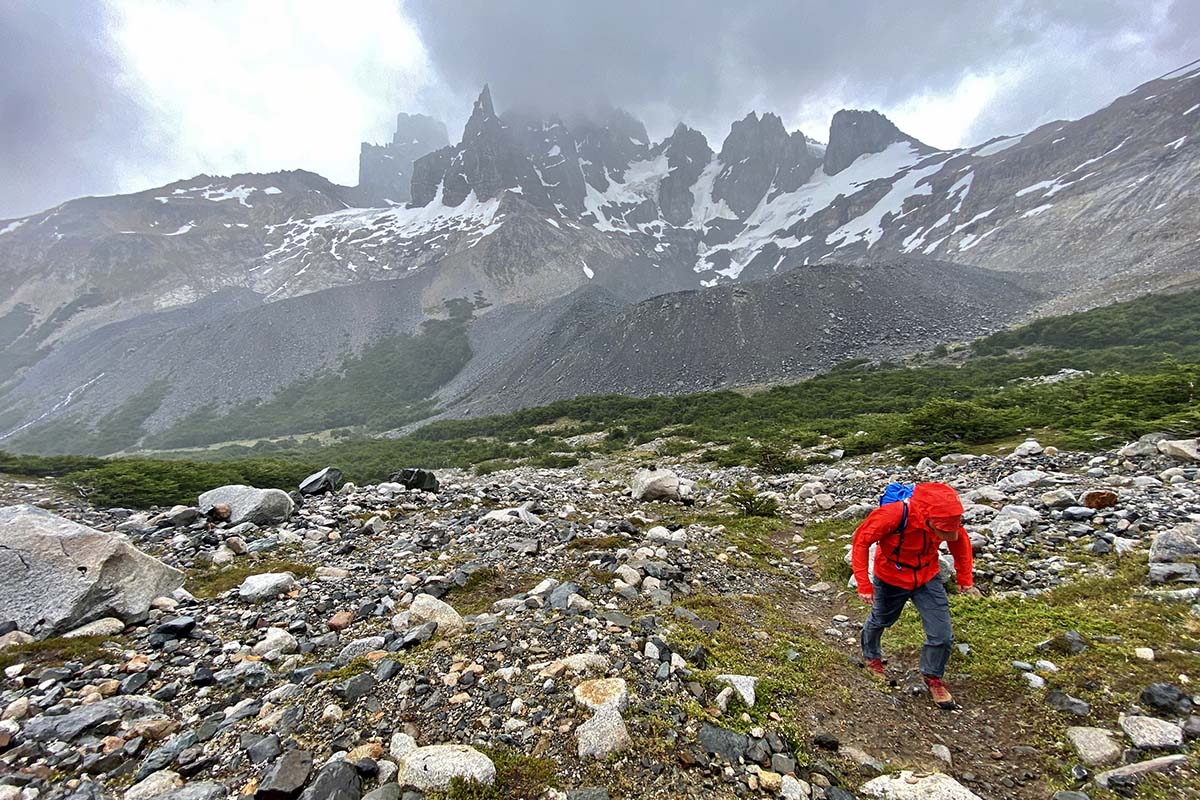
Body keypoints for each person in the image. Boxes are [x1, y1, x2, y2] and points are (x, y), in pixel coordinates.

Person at [851, 481, 981, 709]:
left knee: (942, 634)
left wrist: (965, 577)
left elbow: (960, 542)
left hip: (927, 576)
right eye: (941, 531)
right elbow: (861, 541)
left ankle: (933, 677)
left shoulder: (946, 518)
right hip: (890, 577)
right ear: (925, 518)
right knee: (881, 619)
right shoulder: (892, 515)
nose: (946, 535)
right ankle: (872, 657)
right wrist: (863, 583)